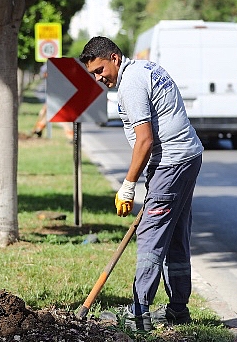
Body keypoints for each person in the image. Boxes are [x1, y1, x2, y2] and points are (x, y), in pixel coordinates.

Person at [79, 36, 203, 331]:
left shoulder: (131, 83)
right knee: (175, 234)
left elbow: (145, 139)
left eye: (100, 70)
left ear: (114, 58)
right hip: (187, 157)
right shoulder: (148, 69)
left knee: (150, 236)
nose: (99, 78)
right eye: (94, 74)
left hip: (171, 162)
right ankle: (177, 309)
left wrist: (128, 184)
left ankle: (138, 313)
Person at [31, 63, 73, 140]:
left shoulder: (56, 80)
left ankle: (71, 137)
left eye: (45, 73)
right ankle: (38, 130)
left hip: (60, 102)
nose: (44, 75)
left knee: (62, 119)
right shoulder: (53, 79)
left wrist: (45, 107)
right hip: (57, 100)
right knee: (47, 115)